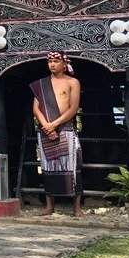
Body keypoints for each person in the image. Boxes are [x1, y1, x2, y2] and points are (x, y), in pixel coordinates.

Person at [31, 51, 83, 217]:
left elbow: (73, 108)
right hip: (46, 128)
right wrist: (47, 125)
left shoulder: (73, 82)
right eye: (50, 62)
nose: (52, 64)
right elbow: (36, 108)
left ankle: (77, 207)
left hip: (64, 127)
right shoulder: (41, 84)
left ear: (64, 63)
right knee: (48, 165)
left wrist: (55, 124)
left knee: (72, 166)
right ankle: (49, 206)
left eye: (55, 61)